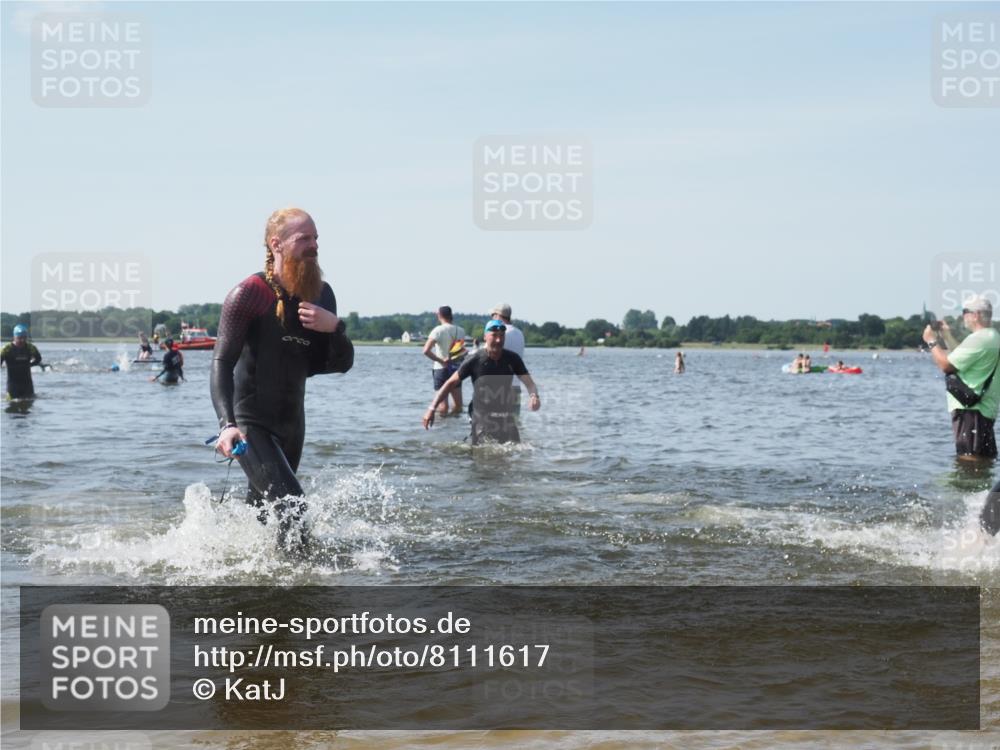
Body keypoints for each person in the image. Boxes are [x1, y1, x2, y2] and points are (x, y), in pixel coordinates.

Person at [210, 208, 354, 555]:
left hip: (292, 427)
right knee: (295, 510)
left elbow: (337, 364)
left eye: (316, 238)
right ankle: (307, 584)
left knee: (265, 520)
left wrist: (335, 328)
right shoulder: (249, 294)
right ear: (276, 244)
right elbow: (221, 363)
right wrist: (227, 425)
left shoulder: (322, 295)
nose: (314, 245)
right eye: (304, 238)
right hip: (250, 425)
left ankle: (242, 572)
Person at [423, 318, 540, 444]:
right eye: (494, 335)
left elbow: (530, 384)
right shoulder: (475, 359)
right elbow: (450, 383)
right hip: (480, 414)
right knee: (482, 451)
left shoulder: (513, 359)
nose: (498, 340)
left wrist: (534, 396)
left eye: (502, 336)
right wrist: (432, 408)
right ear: (485, 337)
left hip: (504, 415)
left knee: (516, 448)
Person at [922, 295, 1000, 460]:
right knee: (982, 462)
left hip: (971, 412)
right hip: (984, 412)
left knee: (968, 462)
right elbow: (961, 357)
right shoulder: (992, 337)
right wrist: (946, 335)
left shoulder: (980, 339)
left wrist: (931, 341)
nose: (963, 316)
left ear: (975, 315)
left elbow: (946, 365)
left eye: (965, 312)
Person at [423, 306, 465, 417]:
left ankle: (442, 425)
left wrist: (441, 360)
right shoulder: (461, 331)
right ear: (451, 315)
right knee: (458, 405)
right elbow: (459, 352)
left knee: (443, 407)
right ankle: (453, 424)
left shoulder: (437, 330)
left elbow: (426, 351)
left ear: (439, 315)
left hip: (441, 369)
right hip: (455, 369)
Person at [491, 303, 526, 412]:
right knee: (514, 421)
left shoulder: (499, 333)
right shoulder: (520, 333)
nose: (492, 319)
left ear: (497, 315)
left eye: (492, 315)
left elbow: (486, 354)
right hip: (516, 387)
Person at [1, 324, 43, 399]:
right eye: (19, 338)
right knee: (12, 403)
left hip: (27, 384)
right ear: (14, 337)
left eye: (24, 338)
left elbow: (38, 359)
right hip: (13, 384)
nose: (22, 340)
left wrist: (30, 364)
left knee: (29, 402)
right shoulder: (7, 349)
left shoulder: (30, 347)